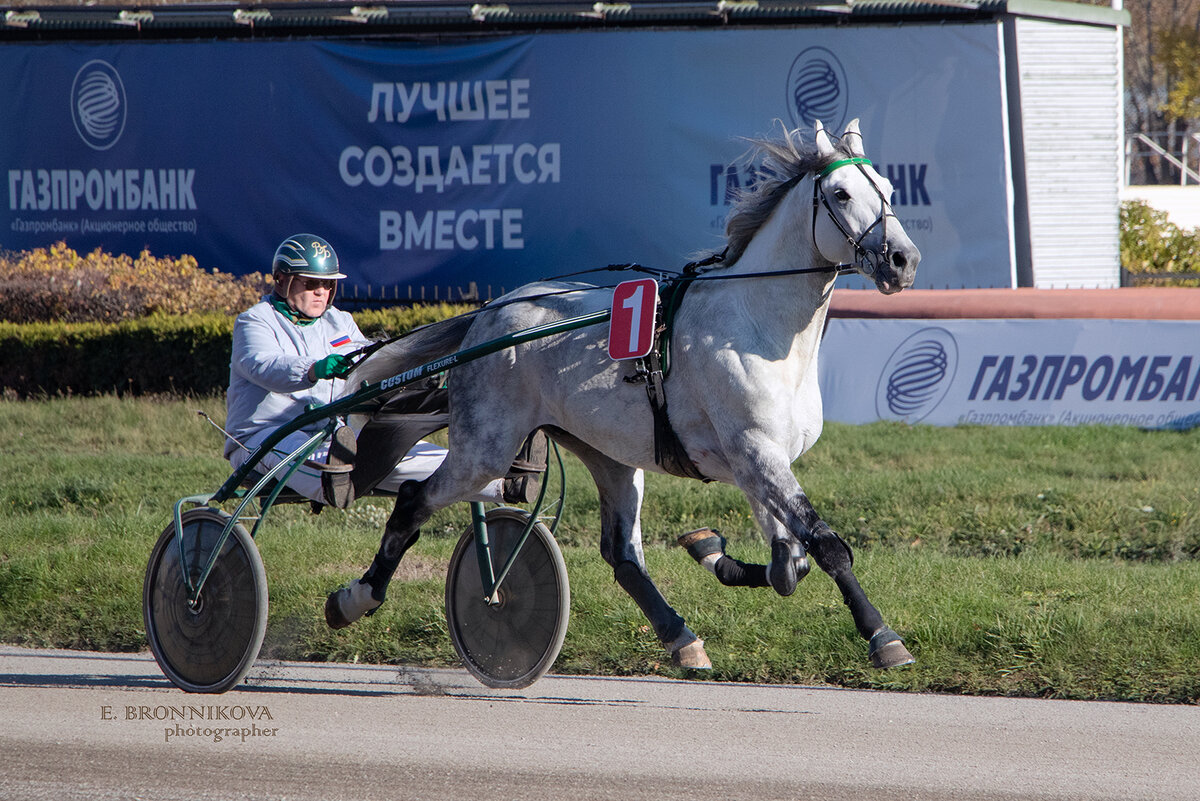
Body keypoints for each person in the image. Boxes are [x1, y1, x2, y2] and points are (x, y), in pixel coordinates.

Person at [225, 233, 502, 508]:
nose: (321, 291)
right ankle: (336, 477)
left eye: (327, 283)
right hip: (265, 436)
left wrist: (418, 371)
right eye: (311, 283)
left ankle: (502, 482)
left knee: (404, 454)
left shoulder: (339, 321)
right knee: (326, 459)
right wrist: (313, 369)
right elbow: (262, 364)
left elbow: (372, 361)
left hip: (333, 435)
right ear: (282, 280)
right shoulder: (254, 321)